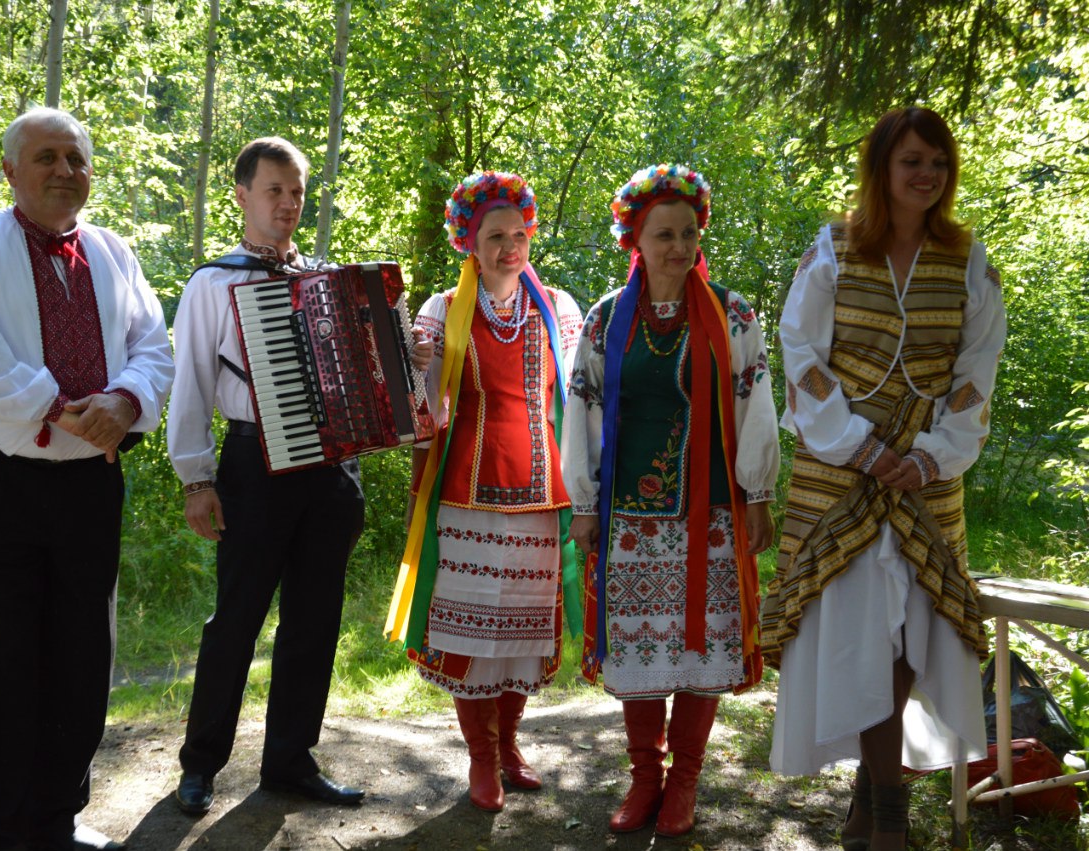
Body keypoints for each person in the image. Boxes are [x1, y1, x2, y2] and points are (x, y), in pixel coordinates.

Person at [0, 107, 174, 851]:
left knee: (80, 662)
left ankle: (56, 821)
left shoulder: (113, 252)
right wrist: (60, 407)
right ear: (10, 170)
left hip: (88, 488)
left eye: (76, 158)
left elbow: (152, 346)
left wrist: (124, 401)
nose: (65, 170)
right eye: (46, 157)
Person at [762, 107, 1006, 851]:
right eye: (912, 161)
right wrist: (862, 449)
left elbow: (977, 370)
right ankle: (888, 811)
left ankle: (874, 799)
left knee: (908, 632)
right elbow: (801, 353)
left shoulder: (967, 259)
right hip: (842, 471)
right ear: (881, 168)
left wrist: (930, 455)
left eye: (938, 162)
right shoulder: (833, 249)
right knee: (859, 631)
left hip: (926, 472)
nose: (927, 174)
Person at [168, 136, 430, 815]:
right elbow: (190, 384)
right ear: (242, 196)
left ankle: (289, 760)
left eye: (296, 192)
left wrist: (413, 356)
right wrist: (196, 479)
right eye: (274, 190)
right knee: (236, 620)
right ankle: (200, 764)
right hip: (253, 465)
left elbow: (375, 374)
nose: (287, 203)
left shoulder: (330, 280)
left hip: (333, 471)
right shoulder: (212, 283)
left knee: (314, 622)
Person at [560, 163, 779, 837]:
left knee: (701, 651)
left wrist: (758, 493)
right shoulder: (606, 320)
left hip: (712, 515)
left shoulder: (733, 314)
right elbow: (581, 410)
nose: (679, 247)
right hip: (630, 519)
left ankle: (684, 780)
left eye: (688, 233)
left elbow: (755, 403)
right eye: (664, 235)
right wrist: (585, 503)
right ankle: (644, 778)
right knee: (639, 652)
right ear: (635, 240)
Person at [385, 171, 584, 812]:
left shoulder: (558, 307)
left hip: (540, 494)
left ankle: (509, 745)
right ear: (468, 242)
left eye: (518, 234)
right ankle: (480, 755)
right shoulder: (443, 309)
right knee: (469, 634)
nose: (509, 247)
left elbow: (580, 401)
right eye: (495, 236)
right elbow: (421, 411)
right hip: (464, 495)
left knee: (524, 632)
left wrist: (587, 489)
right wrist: (417, 365)